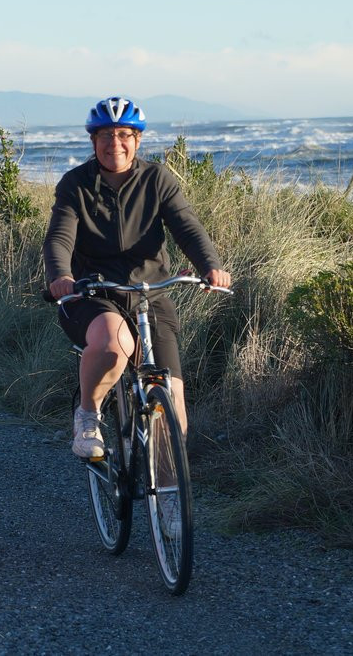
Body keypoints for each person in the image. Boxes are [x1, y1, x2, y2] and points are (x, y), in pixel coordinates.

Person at [43, 96, 232, 462]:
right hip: (93, 292)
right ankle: (88, 418)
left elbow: (187, 227)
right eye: (106, 136)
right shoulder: (76, 185)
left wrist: (211, 265)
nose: (116, 143)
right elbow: (60, 237)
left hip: (150, 293)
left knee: (173, 403)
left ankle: (170, 504)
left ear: (138, 140)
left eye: (124, 135)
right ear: (93, 141)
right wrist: (61, 276)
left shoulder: (156, 179)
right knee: (116, 346)